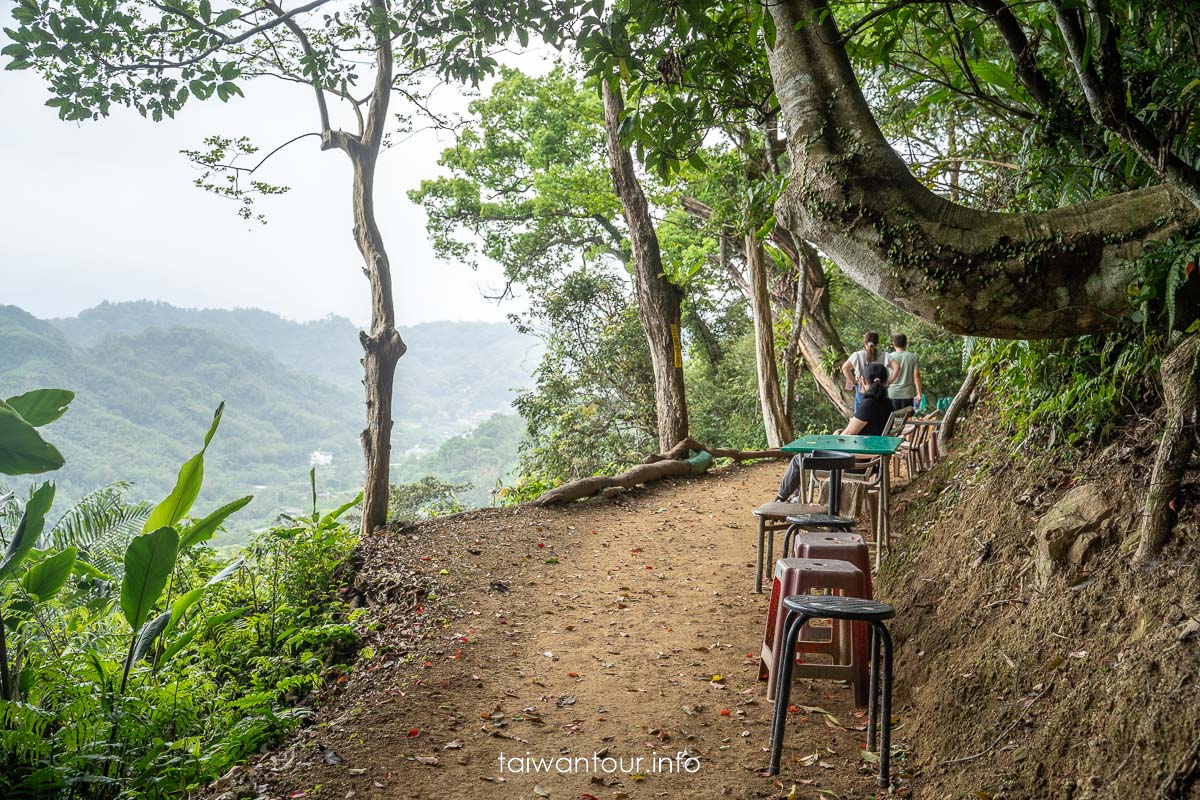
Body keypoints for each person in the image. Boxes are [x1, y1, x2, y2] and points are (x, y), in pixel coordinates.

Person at [776, 362, 893, 501]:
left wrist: (838, 435)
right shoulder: (888, 404)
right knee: (805, 458)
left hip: (855, 461)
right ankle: (796, 498)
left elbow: (847, 435)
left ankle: (780, 499)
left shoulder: (869, 404)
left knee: (799, 459)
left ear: (863, 380)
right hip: (870, 459)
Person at [841, 331, 885, 413]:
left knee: (860, 414)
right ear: (878, 343)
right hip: (879, 389)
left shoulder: (857, 355)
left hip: (862, 388)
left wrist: (854, 382)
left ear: (864, 342)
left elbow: (845, 368)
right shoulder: (883, 355)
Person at [885, 333, 923, 412]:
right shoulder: (913, 357)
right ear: (906, 343)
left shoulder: (888, 357)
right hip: (908, 394)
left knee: (893, 420)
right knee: (908, 421)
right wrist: (919, 394)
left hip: (892, 394)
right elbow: (916, 377)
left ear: (893, 344)